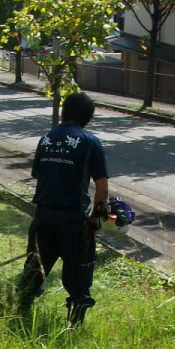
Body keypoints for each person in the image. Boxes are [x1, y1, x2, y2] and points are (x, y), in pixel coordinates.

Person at [16, 91, 109, 327]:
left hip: (43, 217)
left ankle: (19, 314)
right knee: (79, 280)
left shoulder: (46, 139)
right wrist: (95, 221)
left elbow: (40, 175)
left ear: (63, 112)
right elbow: (102, 188)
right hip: (74, 221)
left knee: (33, 271)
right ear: (88, 117)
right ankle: (73, 328)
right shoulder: (90, 142)